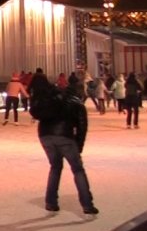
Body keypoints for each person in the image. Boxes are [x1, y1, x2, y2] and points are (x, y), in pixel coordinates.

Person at [28, 73, 98, 217]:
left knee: (55, 167)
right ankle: (87, 204)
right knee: (78, 169)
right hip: (64, 136)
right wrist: (78, 147)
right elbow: (82, 127)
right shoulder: (77, 103)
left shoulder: (53, 99)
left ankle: (51, 202)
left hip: (45, 135)